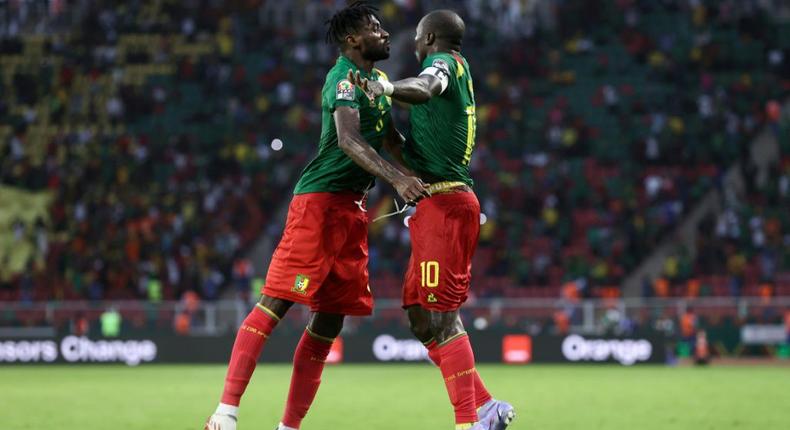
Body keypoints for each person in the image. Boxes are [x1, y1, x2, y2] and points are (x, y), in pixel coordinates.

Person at [204, 3, 429, 430]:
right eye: (374, 28)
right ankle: (225, 413)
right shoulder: (340, 79)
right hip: (319, 205)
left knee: (328, 322)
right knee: (277, 301)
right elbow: (348, 139)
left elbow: (392, 139)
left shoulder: (379, 81)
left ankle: (288, 427)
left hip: (352, 212)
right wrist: (399, 181)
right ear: (352, 40)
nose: (384, 34)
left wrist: (431, 177)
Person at [352, 9, 515, 430]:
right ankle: (484, 406)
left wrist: (386, 86)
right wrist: (387, 134)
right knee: (419, 316)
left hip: (448, 206)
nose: (412, 44)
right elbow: (416, 156)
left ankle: (468, 422)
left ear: (428, 37)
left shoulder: (443, 65)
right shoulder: (452, 78)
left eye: (417, 38)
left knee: (443, 316)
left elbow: (425, 87)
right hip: (433, 205)